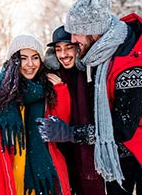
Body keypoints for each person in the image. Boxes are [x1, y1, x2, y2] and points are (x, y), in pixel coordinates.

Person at [37, 0, 142, 195]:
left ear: (94, 31)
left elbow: (120, 128)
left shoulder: (132, 71)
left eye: (76, 32)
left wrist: (70, 133)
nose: (72, 39)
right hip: (119, 152)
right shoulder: (101, 55)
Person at [0, 35, 72, 195]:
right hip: (7, 179)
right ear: (14, 61)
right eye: (23, 58)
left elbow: (61, 124)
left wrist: (60, 89)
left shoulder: (47, 91)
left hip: (44, 178)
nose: (30, 64)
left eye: (35, 57)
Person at [44, 25, 106, 195]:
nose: (63, 55)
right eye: (58, 49)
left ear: (79, 47)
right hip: (65, 152)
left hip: (94, 151)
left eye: (68, 48)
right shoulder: (51, 76)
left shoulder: (93, 71)